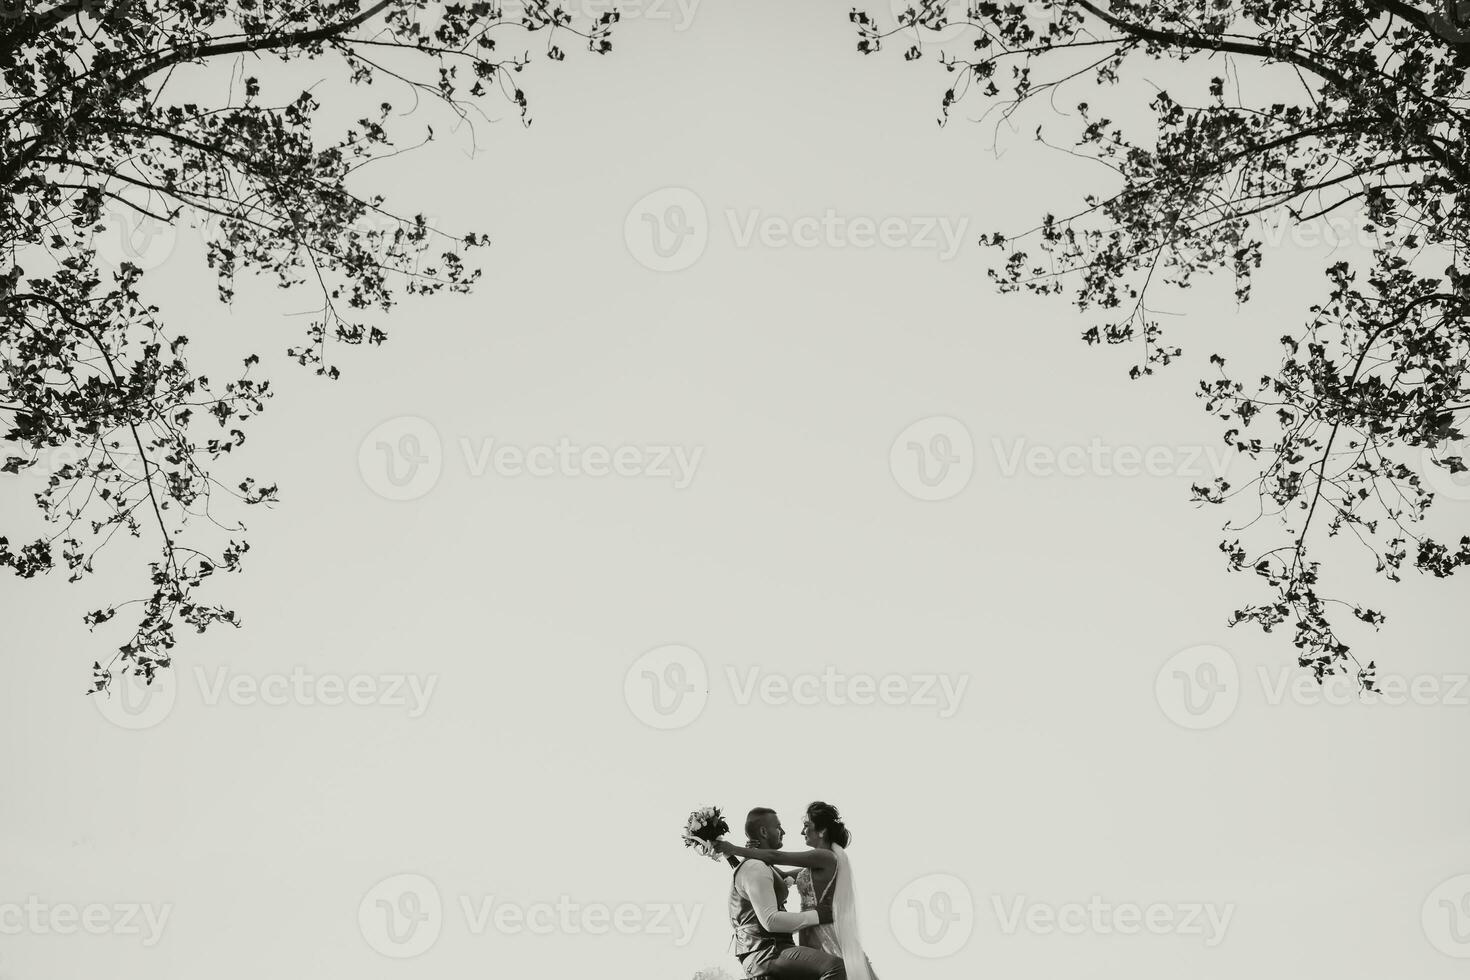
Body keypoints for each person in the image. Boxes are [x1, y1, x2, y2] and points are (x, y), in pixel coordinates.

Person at [716, 802, 877, 980]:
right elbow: (780, 875)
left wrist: (734, 849)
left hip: (823, 929)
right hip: (809, 929)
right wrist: (740, 856)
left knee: (836, 968)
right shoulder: (811, 867)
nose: (802, 832)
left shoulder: (824, 856)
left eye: (807, 826)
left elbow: (777, 857)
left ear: (822, 831)